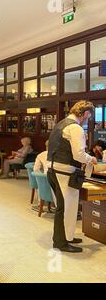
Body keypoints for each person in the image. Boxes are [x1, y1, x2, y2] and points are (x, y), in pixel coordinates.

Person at [47, 101, 98, 253]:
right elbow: (79, 154)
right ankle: (61, 242)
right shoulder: (75, 128)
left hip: (53, 170)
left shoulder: (61, 123)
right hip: (65, 172)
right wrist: (91, 159)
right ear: (86, 114)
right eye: (88, 117)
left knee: (64, 208)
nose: (88, 120)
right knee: (66, 209)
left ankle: (66, 237)